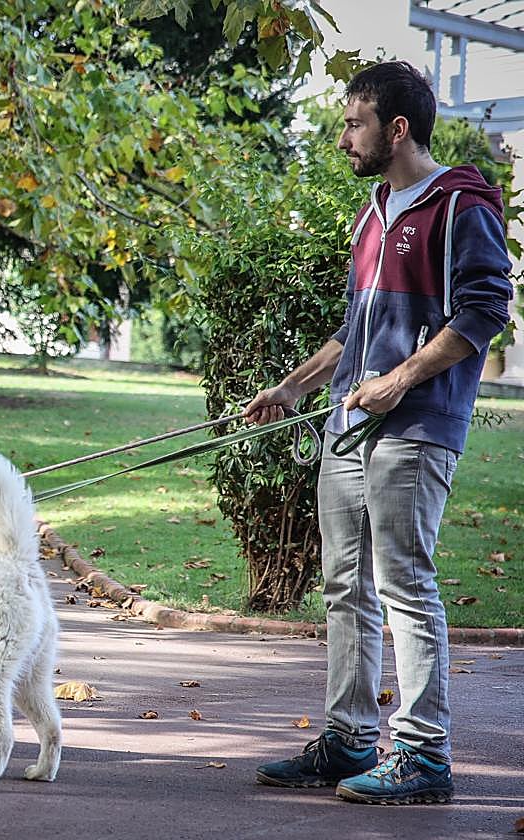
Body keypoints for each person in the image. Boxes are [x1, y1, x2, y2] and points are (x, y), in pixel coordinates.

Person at [244, 61, 511, 805]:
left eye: (352, 123)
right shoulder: (371, 212)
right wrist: (292, 387)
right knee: (345, 591)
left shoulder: (461, 206)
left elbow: (486, 311)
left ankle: (424, 757)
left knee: (404, 587)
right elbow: (354, 328)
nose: (342, 139)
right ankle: (349, 738)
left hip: (417, 427)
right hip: (346, 427)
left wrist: (399, 380)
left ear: (397, 129)